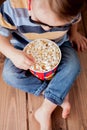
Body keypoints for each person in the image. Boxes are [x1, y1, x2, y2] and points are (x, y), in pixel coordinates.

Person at [0, 0, 87, 130]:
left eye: (57, 25)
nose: (46, 29)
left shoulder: (71, 8)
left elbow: (75, 20)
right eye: (40, 22)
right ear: (30, 4)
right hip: (23, 46)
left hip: (59, 44)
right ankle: (57, 94)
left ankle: (45, 110)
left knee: (73, 66)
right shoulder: (13, 7)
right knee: (9, 75)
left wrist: (74, 34)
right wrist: (12, 53)